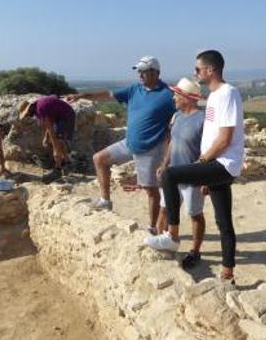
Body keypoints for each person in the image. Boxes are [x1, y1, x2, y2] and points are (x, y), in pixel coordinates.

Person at [144, 50, 245, 282]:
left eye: (197, 69)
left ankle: (172, 235)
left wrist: (202, 163)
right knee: (224, 221)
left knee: (169, 176)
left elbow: (225, 139)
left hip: (221, 164)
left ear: (210, 70)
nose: (195, 73)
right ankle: (228, 273)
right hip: (218, 164)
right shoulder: (214, 96)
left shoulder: (228, 93)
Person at [67, 56, 175, 231]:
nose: (139, 74)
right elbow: (108, 95)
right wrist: (82, 95)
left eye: (144, 71)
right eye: (138, 71)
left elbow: (179, 119)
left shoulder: (168, 95)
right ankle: (105, 201)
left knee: (150, 190)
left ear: (156, 73)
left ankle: (152, 228)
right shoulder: (134, 89)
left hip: (151, 148)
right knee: (99, 159)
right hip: (129, 143)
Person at [146, 77, 206, 269]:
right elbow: (172, 142)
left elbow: (207, 150)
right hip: (172, 175)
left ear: (187, 97)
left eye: (176, 94)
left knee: (195, 214)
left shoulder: (203, 120)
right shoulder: (178, 116)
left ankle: (195, 252)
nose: (173, 98)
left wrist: (206, 180)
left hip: (192, 176)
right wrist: (164, 163)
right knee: (165, 208)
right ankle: (165, 239)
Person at [18, 95, 76, 184]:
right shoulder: (39, 106)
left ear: (30, 108)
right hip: (60, 116)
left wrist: (55, 151)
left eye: (27, 114)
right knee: (58, 140)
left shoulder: (40, 108)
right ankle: (67, 163)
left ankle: (58, 169)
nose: (29, 116)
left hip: (66, 116)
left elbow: (51, 129)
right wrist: (46, 137)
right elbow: (50, 124)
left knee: (58, 140)